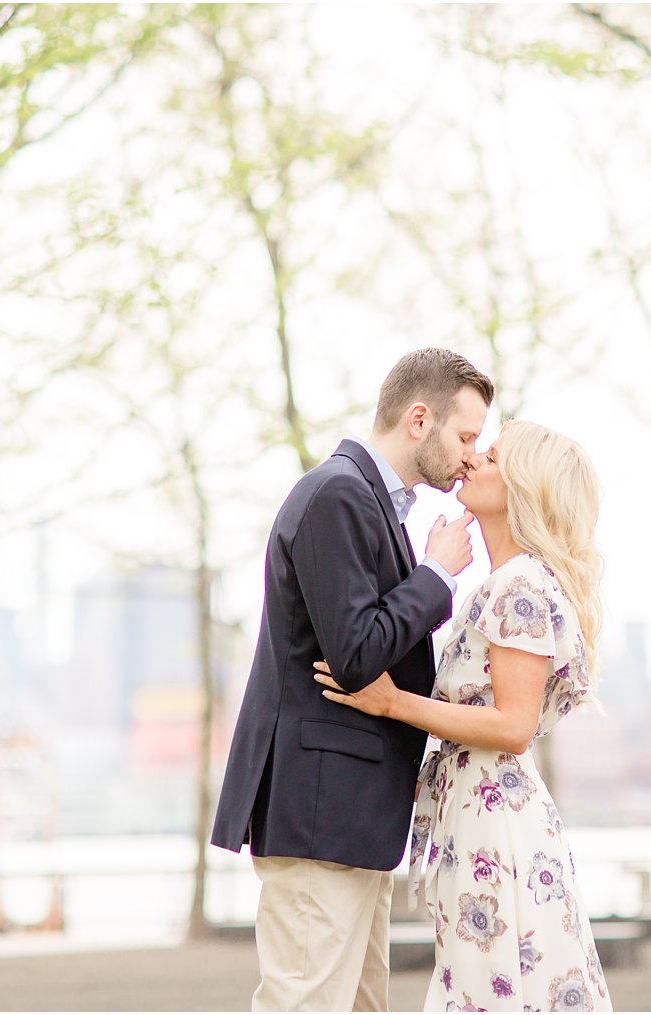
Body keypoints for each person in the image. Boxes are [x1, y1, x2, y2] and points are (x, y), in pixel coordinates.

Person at [210, 348, 494, 1012]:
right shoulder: (338, 493)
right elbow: (357, 651)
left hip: (350, 818)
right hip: (319, 815)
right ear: (419, 418)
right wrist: (437, 575)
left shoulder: (370, 502)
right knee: (306, 1003)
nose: (470, 455)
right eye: (465, 435)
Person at [316, 419, 613, 1012]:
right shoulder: (509, 582)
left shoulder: (519, 584)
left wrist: (392, 702)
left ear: (526, 489)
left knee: (487, 990)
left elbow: (512, 725)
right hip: (482, 815)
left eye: (494, 458)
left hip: (493, 821)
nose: (473, 460)